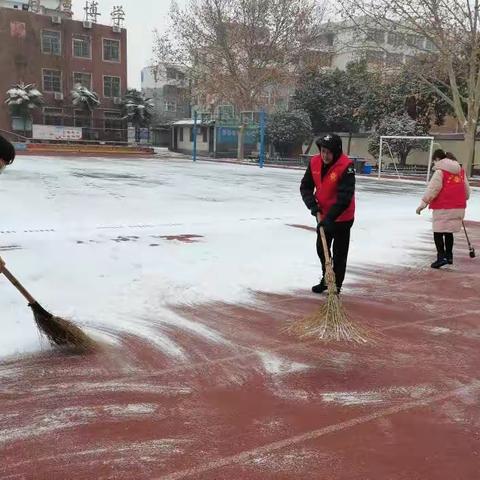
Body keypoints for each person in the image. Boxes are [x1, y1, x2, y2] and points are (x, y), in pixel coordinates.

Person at [300, 134, 355, 294]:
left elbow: (345, 197)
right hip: (323, 215)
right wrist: (313, 206)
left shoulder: (346, 166)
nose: (325, 155)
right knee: (321, 249)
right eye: (323, 151)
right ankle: (327, 278)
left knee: (339, 254)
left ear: (336, 152)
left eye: (329, 152)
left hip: (343, 217)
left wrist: (330, 218)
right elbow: (306, 187)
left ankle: (335, 286)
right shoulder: (314, 162)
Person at [416, 149, 470, 268]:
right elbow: (466, 191)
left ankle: (441, 257)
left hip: (443, 207)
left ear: (437, 159)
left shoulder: (440, 172)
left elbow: (433, 189)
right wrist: (460, 199)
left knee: (438, 232)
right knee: (448, 231)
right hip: (458, 206)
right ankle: (449, 256)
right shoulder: (460, 171)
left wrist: (423, 204)